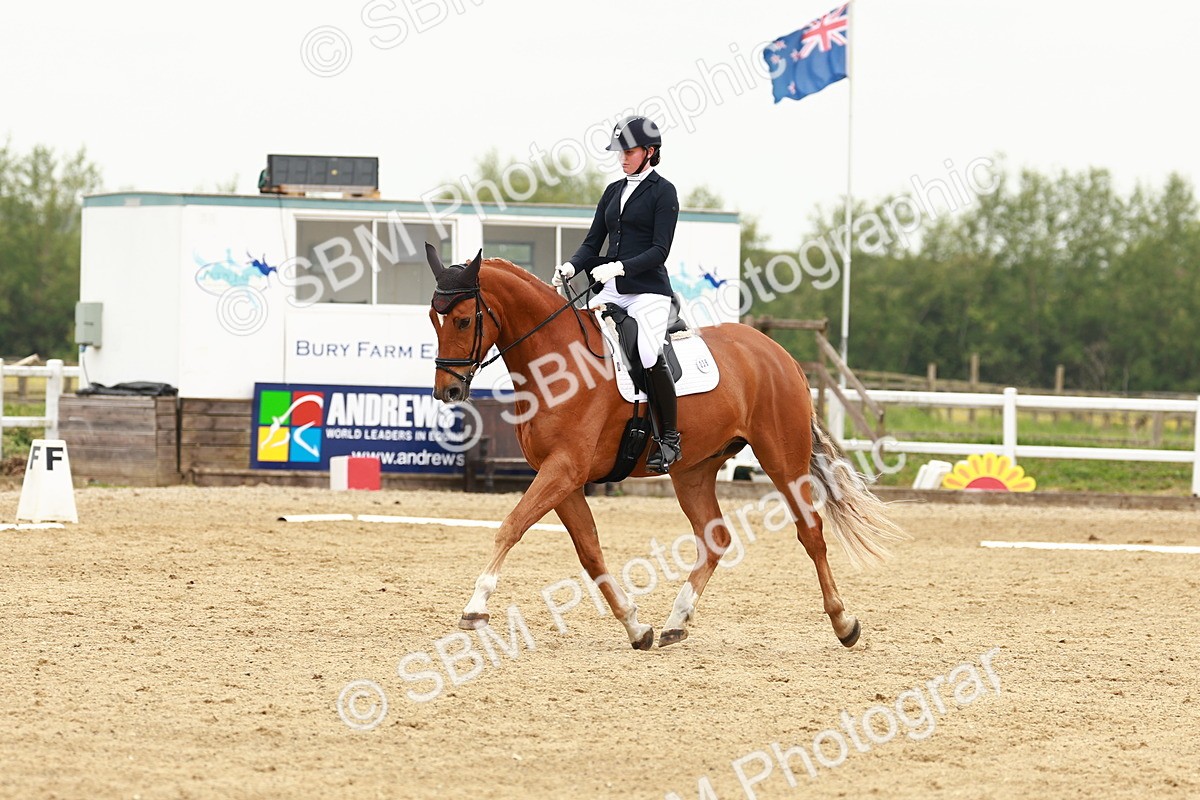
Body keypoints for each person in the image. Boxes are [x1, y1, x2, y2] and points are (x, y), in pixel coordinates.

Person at [553, 115, 681, 473]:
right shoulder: (613, 191)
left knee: (646, 351)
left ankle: (669, 438)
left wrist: (621, 267)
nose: (622, 157)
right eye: (619, 152)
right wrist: (572, 265)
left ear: (650, 152)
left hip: (648, 291)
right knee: (581, 340)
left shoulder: (663, 191)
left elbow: (660, 250)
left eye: (630, 151)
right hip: (610, 288)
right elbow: (594, 241)